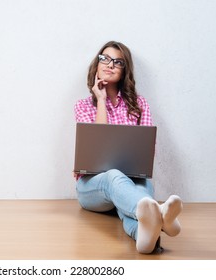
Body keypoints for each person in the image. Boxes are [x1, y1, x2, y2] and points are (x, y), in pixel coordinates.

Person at [73, 41, 183, 254]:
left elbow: (149, 150)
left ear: (125, 71)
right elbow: (96, 148)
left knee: (140, 196)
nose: (110, 64)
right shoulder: (83, 105)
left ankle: (145, 239)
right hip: (92, 186)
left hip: (131, 183)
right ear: (96, 64)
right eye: (104, 58)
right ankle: (162, 217)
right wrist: (101, 100)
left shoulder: (139, 104)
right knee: (114, 176)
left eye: (118, 62)